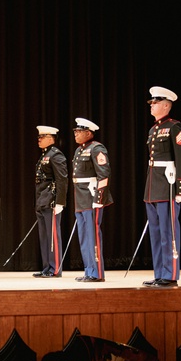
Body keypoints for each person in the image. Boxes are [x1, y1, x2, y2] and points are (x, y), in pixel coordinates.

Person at [143, 86, 181, 288]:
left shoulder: (174, 127)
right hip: (153, 186)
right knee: (155, 233)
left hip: (168, 185)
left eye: (155, 103)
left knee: (168, 233)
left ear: (165, 105)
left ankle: (170, 275)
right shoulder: (153, 129)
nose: (151, 106)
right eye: (151, 102)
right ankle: (160, 273)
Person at [71, 117, 113, 282]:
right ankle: (89, 270)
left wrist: (99, 198)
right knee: (83, 237)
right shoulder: (79, 150)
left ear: (88, 133)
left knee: (92, 235)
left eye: (79, 131)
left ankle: (97, 273)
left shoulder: (97, 148)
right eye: (75, 131)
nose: (75, 134)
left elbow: (104, 174)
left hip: (91, 196)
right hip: (80, 198)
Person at [32, 125, 68, 278]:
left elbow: (62, 179)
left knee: (53, 236)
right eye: (39, 137)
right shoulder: (44, 155)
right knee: (44, 236)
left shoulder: (56, 155)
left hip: (52, 200)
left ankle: (55, 268)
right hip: (42, 199)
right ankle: (46, 267)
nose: (39, 139)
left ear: (51, 138)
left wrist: (60, 202)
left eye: (42, 137)